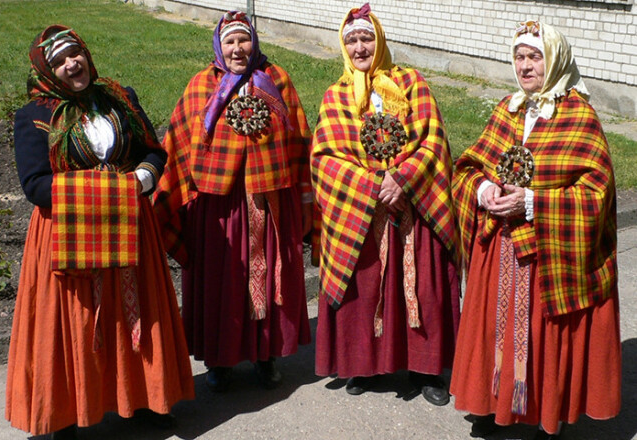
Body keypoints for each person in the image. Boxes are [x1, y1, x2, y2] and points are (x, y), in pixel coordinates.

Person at [6, 25, 195, 440]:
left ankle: (146, 399)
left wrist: (145, 176)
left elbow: (153, 150)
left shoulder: (119, 98)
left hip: (131, 223)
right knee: (77, 320)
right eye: (59, 61)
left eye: (75, 53)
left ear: (87, 54)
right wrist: (109, 188)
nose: (72, 64)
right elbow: (35, 185)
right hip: (68, 233)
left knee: (138, 311)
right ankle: (68, 413)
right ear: (46, 70)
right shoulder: (35, 117)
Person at [449, 20, 621, 440]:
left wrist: (532, 202)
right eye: (520, 57)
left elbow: (595, 195)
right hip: (499, 249)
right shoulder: (508, 108)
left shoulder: (579, 116)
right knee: (495, 330)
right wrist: (484, 189)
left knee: (535, 336)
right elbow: (469, 167)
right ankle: (494, 402)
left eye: (535, 57)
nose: (525, 66)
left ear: (556, 60)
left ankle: (536, 412)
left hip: (544, 252)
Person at [153, 11, 312, 392]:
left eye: (244, 40)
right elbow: (180, 142)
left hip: (266, 201)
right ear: (218, 47)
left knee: (266, 275)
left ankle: (265, 355)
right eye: (230, 42)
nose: (238, 48)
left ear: (254, 42)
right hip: (217, 207)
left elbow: (298, 140)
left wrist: (299, 201)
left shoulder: (278, 82)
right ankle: (219, 360)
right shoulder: (201, 87)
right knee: (221, 280)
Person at [311, 3, 461, 406]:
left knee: (423, 288)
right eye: (352, 41)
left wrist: (403, 179)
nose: (360, 47)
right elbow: (324, 157)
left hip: (414, 205)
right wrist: (372, 185)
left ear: (379, 41)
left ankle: (426, 369)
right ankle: (363, 365)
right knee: (363, 289)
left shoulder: (411, 83)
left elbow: (433, 138)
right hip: (362, 209)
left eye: (366, 38)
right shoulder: (336, 95)